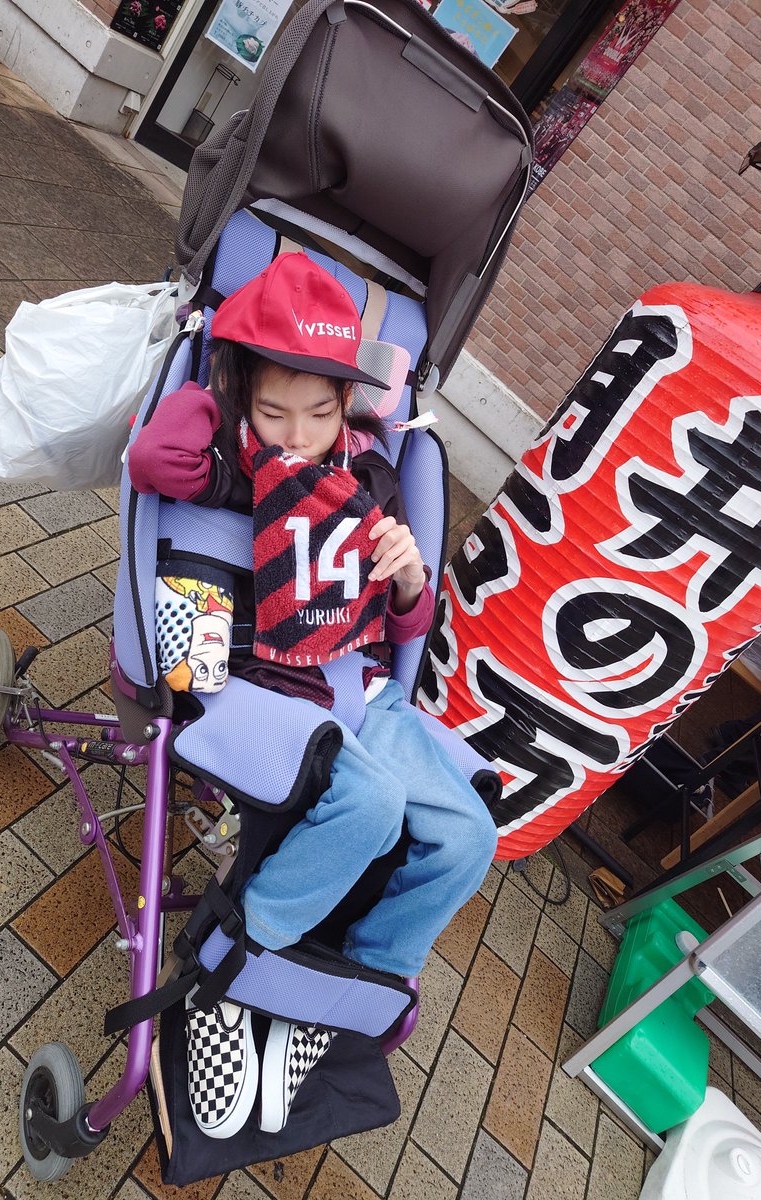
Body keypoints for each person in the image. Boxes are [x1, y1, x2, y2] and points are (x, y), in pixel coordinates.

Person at [129, 252, 498, 1139]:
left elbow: (403, 635)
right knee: (367, 803)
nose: (297, 434)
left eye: (320, 412)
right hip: (266, 687)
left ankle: (340, 991)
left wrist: (408, 582)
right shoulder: (233, 461)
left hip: (361, 690)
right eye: (273, 410)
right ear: (244, 399)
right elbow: (156, 456)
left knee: (469, 835)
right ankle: (239, 964)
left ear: (348, 406)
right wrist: (213, 385)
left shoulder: (368, 478)